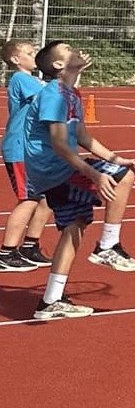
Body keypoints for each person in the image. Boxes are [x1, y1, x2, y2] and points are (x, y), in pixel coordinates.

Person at [18, 43, 135, 319]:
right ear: (58, 65)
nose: (76, 49)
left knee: (75, 225)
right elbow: (60, 144)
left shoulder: (71, 93)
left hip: (56, 169)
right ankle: (107, 246)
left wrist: (116, 158)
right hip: (54, 168)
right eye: (67, 48)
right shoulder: (54, 95)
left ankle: (50, 301)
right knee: (123, 177)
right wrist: (94, 173)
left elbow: (84, 137)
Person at [0, 39, 53, 271]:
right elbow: (49, 99)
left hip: (35, 149)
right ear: (15, 59)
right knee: (29, 198)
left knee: (47, 197)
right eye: (30, 53)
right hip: (20, 148)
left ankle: (30, 246)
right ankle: (6, 252)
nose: (35, 56)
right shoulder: (20, 79)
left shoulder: (36, 80)